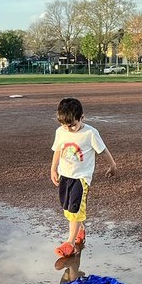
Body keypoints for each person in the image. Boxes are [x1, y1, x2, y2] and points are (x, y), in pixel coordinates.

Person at [50, 96, 117, 257]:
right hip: (65, 175)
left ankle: (70, 243)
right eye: (64, 125)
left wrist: (112, 165)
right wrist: (53, 169)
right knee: (67, 208)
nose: (68, 129)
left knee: (75, 208)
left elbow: (103, 150)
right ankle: (80, 230)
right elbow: (58, 150)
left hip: (81, 178)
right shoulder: (61, 132)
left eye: (72, 125)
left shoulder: (90, 133)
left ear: (82, 118)